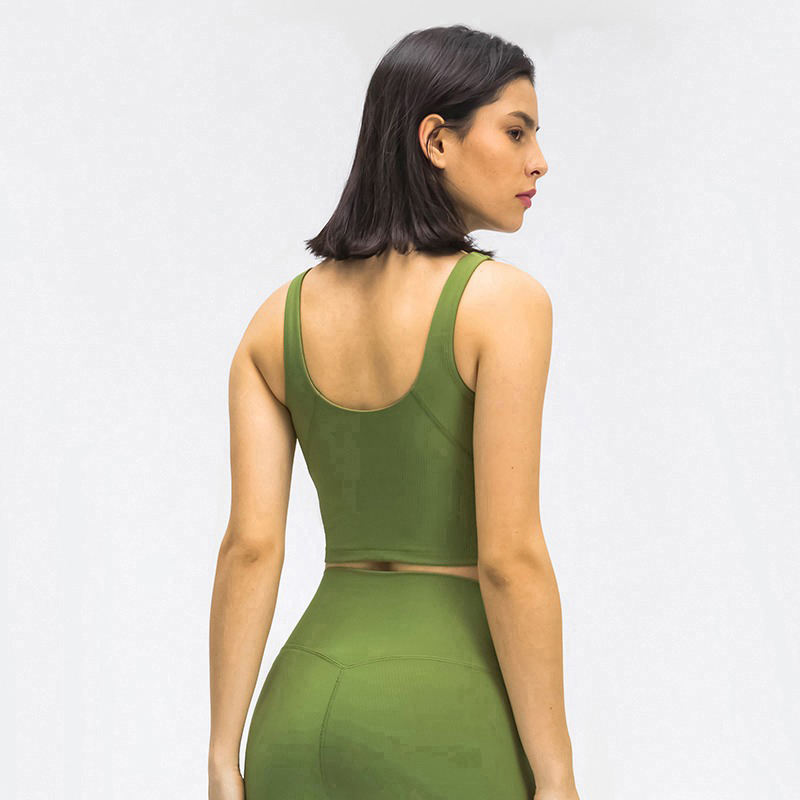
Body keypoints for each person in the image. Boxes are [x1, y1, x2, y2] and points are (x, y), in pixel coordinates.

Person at [208, 23, 579, 800]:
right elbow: (510, 559)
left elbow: (250, 547)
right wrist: (556, 776)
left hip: (296, 714)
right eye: (517, 132)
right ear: (436, 140)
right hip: (441, 714)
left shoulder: (274, 321)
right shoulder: (504, 306)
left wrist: (221, 752)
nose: (539, 161)